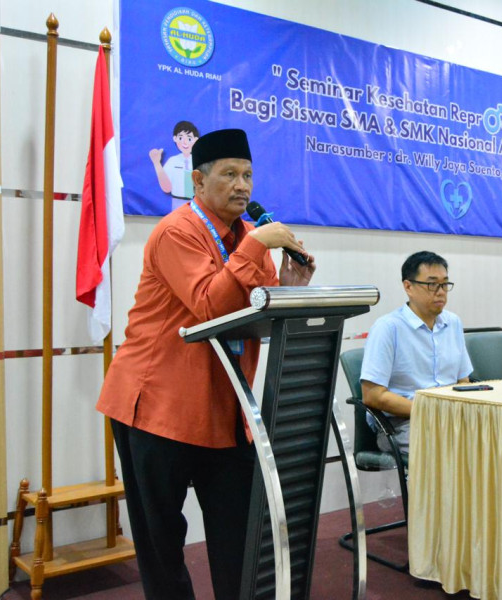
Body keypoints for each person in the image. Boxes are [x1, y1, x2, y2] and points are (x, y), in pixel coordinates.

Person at [96, 128, 315, 600]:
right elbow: (211, 308)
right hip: (156, 407)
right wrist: (258, 246)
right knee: (163, 540)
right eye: (230, 174)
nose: (243, 186)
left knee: (237, 528)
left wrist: (292, 286)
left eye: (249, 175)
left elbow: (259, 312)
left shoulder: (245, 236)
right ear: (197, 181)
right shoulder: (177, 231)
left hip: (225, 405)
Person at [360, 251, 472, 455]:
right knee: (452, 449)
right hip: (402, 423)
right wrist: (429, 411)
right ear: (408, 287)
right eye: (432, 284)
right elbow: (373, 395)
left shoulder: (453, 323)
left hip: (450, 418)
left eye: (445, 284)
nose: (441, 292)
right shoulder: (388, 328)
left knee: (495, 439)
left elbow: (463, 381)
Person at [149, 120, 200, 212]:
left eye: (189, 139)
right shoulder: (173, 161)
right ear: (175, 138)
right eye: (181, 138)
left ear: (195, 140)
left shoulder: (199, 160)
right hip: (177, 202)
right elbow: (166, 187)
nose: (185, 142)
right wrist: (157, 163)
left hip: (197, 202)